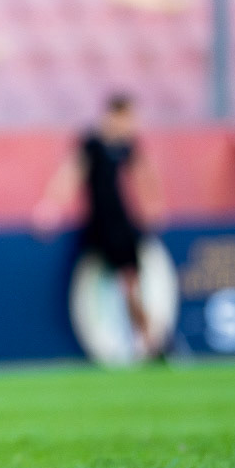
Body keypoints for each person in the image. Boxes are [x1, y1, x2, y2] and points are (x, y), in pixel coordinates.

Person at [34, 94, 164, 355]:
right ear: (114, 115)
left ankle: (148, 341)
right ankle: (146, 340)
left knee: (130, 283)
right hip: (97, 224)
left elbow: (146, 174)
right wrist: (51, 207)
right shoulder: (92, 144)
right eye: (127, 118)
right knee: (120, 282)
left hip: (120, 223)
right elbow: (71, 173)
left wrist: (153, 206)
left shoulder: (126, 146)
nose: (131, 125)